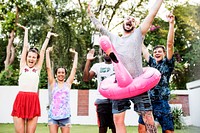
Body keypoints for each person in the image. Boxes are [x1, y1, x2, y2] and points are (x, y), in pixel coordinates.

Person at [87, 0, 164, 133]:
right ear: (123, 23)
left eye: (133, 20)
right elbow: (99, 27)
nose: (130, 20)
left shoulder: (138, 35)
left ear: (136, 25)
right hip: (119, 85)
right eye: (128, 19)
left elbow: (152, 14)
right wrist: (90, 14)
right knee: (118, 120)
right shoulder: (113, 38)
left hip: (139, 82)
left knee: (148, 118)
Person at [11, 23, 57, 133]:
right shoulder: (22, 66)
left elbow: (42, 50)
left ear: (36, 59)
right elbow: (25, 47)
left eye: (34, 57)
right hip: (21, 100)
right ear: (26, 57)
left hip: (33, 100)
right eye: (29, 56)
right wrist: (26, 31)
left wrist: (48, 36)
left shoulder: (37, 69)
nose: (31, 58)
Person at [140, 13, 175, 133]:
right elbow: (143, 48)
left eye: (159, 51)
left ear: (164, 54)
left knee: (168, 130)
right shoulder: (152, 63)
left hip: (162, 102)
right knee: (142, 128)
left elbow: (170, 45)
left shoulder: (168, 63)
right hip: (148, 102)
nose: (157, 53)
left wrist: (171, 24)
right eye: (155, 52)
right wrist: (137, 35)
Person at [83, 49, 116, 133]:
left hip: (116, 100)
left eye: (108, 51)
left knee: (116, 127)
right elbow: (86, 78)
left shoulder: (118, 65)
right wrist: (88, 61)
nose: (106, 53)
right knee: (102, 128)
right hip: (102, 101)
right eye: (104, 51)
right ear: (102, 53)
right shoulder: (98, 66)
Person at [46, 47, 78, 133]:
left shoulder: (68, 84)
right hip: (53, 116)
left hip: (65, 116)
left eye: (63, 72)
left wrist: (76, 54)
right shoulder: (53, 83)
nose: (61, 74)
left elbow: (74, 69)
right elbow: (48, 68)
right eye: (59, 72)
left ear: (65, 74)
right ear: (56, 74)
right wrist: (47, 52)